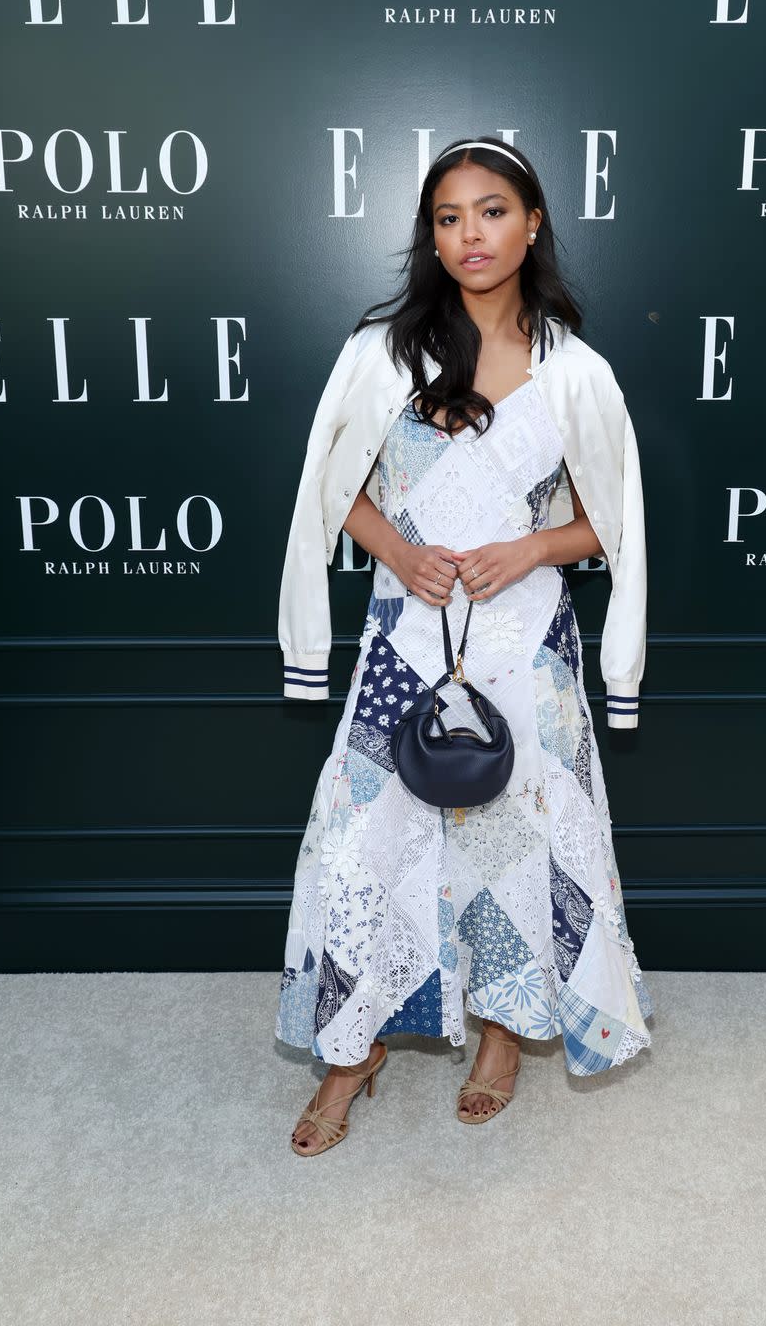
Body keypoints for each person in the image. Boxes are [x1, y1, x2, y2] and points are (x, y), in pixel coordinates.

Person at [276, 136, 654, 1157]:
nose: (470, 235)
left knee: (516, 851)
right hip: (406, 640)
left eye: (491, 212)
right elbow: (329, 487)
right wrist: (397, 549)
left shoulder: (578, 374)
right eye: (448, 218)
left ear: (532, 224)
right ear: (430, 238)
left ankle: (501, 1036)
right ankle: (352, 1049)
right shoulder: (378, 354)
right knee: (364, 848)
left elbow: (610, 525)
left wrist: (531, 546)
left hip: (527, 647)